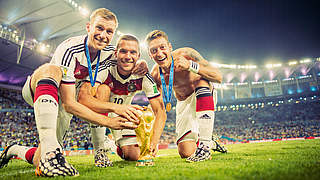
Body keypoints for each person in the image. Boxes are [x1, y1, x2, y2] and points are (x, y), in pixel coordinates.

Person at [0, 8, 140, 177]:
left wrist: (142, 65)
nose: (103, 35)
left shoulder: (110, 53)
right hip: (43, 91)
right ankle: (57, 148)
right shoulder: (70, 48)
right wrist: (109, 120)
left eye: (109, 31)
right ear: (88, 27)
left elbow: (128, 58)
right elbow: (69, 104)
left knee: (41, 159)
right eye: (99, 28)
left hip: (65, 103)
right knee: (51, 69)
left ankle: (13, 149)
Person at [78, 34, 167, 162]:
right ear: (116, 53)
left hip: (123, 113)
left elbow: (160, 111)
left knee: (134, 156)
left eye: (133, 52)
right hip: (101, 112)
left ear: (138, 56)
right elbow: (83, 98)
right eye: (123, 51)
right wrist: (115, 108)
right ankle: (100, 151)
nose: (128, 57)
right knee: (103, 89)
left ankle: (115, 145)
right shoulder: (106, 67)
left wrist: (154, 141)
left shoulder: (143, 76)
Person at [145, 30, 223, 162]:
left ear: (170, 47)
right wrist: (153, 140)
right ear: (150, 54)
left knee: (201, 81)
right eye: (154, 50)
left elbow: (218, 77)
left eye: (162, 47)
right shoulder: (155, 75)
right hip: (183, 103)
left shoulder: (187, 54)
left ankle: (204, 145)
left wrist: (191, 66)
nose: (159, 53)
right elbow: (157, 109)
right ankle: (211, 141)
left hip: (203, 94)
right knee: (185, 152)